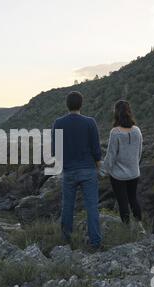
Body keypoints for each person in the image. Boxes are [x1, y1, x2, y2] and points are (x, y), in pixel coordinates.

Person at [52, 91, 102, 249]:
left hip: (69, 171)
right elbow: (96, 149)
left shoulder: (58, 123)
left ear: (67, 105)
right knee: (92, 207)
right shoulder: (90, 122)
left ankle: (66, 242)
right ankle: (95, 244)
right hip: (88, 170)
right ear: (81, 104)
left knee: (67, 206)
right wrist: (99, 167)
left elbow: (55, 150)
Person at [103, 100, 146, 234]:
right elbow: (139, 152)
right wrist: (134, 166)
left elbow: (111, 156)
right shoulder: (137, 130)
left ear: (116, 113)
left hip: (118, 176)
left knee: (123, 202)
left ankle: (127, 229)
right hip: (134, 173)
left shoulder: (115, 132)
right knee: (133, 199)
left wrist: (104, 170)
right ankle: (140, 227)